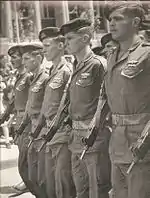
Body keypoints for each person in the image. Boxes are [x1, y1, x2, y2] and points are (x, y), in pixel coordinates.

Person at [60, 18, 111, 198]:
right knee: (81, 189)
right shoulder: (76, 66)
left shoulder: (98, 64)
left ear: (84, 38)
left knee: (97, 189)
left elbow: (106, 102)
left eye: (70, 38)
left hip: (93, 137)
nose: (65, 44)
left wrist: (96, 131)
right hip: (76, 137)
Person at [104, 2, 150, 198]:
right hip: (118, 141)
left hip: (141, 141)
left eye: (118, 19)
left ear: (136, 22)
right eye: (110, 20)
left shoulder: (147, 53)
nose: (112, 24)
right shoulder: (112, 56)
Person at [32, 26, 75, 198]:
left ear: (60, 45)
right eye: (43, 46)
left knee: (63, 180)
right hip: (49, 131)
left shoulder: (67, 70)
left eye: (48, 45)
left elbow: (70, 103)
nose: (44, 50)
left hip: (62, 131)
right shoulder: (52, 71)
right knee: (51, 180)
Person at [0, 44, 34, 195]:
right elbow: (14, 100)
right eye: (10, 57)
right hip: (19, 118)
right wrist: (6, 115)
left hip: (27, 119)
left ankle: (31, 184)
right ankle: (27, 182)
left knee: (27, 155)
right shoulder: (19, 76)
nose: (11, 60)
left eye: (15, 57)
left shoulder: (29, 76)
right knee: (22, 153)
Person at [17, 43, 48, 198]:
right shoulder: (33, 78)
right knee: (27, 168)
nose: (24, 62)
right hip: (32, 126)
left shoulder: (46, 76)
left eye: (27, 58)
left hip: (42, 129)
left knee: (41, 173)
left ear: (38, 58)